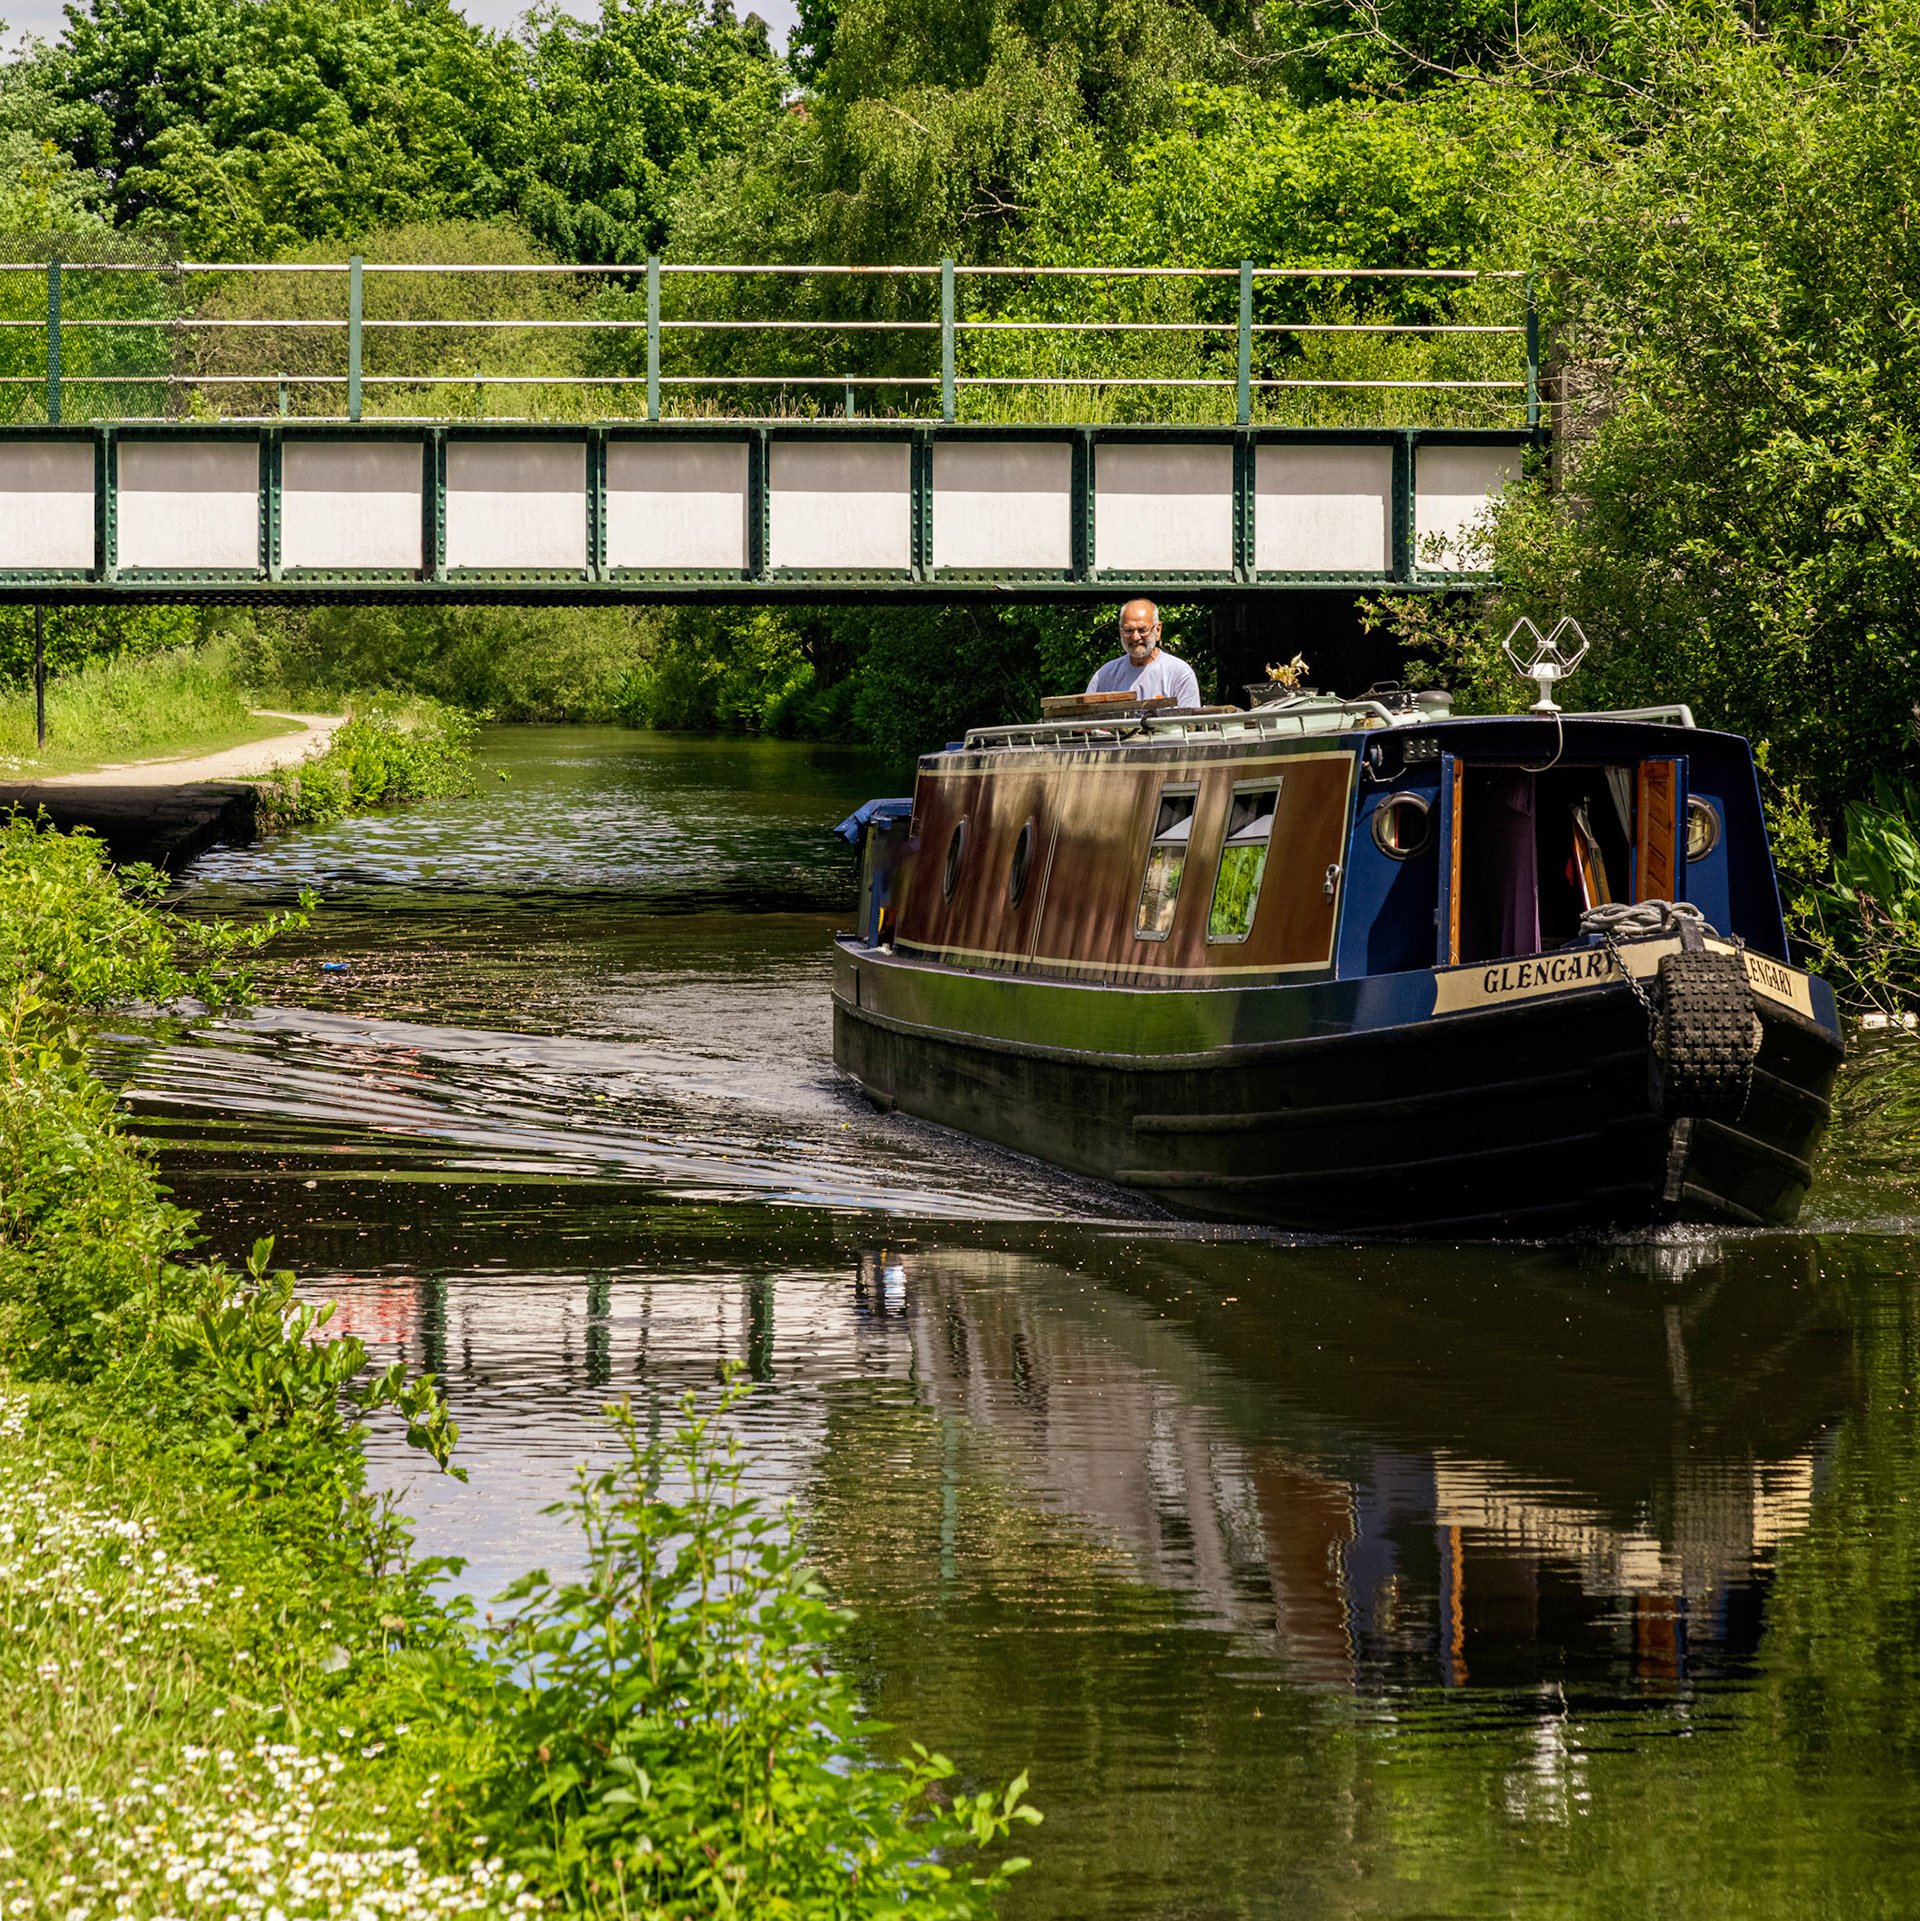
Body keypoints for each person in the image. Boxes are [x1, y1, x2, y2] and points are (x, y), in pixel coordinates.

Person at [1084, 599, 1202, 708]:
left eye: (1143, 630)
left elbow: (1189, 726)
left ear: (1158, 631)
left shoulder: (1179, 673)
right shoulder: (1105, 676)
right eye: (1129, 630)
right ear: (1120, 631)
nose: (1135, 637)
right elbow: (1087, 722)